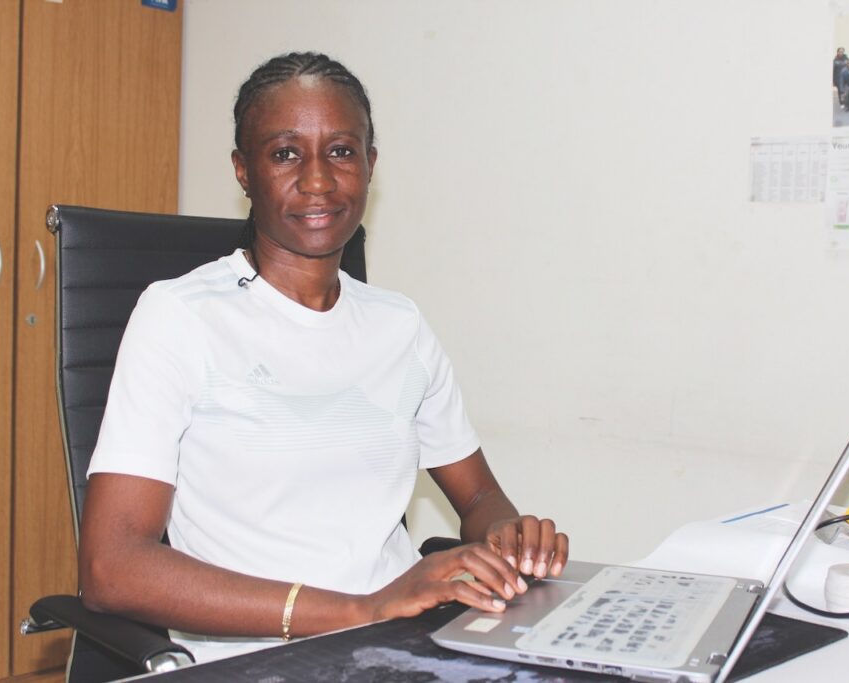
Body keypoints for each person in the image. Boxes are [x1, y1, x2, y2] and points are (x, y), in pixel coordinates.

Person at [78, 51, 569, 663]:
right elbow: (112, 568)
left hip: (402, 646)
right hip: (259, 658)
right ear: (243, 171)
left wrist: (508, 536)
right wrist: (362, 610)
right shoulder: (181, 317)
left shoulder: (400, 325)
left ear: (370, 165)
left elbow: (476, 499)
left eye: (341, 151)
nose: (318, 180)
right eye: (286, 153)